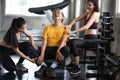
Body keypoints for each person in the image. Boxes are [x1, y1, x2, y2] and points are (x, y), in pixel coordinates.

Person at [66, 0, 100, 75]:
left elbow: (86, 27)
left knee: (73, 42)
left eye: (90, 5)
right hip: (86, 39)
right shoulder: (88, 13)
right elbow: (75, 19)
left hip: (92, 40)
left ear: (94, 6)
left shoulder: (95, 13)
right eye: (87, 4)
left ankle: (77, 68)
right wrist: (70, 25)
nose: (87, 6)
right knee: (68, 42)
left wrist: (73, 31)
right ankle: (74, 63)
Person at [34, 9, 70, 78]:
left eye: (58, 13)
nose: (56, 14)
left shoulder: (66, 28)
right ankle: (43, 66)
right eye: (54, 13)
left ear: (62, 17)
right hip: (48, 49)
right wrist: (41, 55)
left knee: (67, 49)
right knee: (31, 49)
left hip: (59, 50)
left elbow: (63, 42)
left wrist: (58, 51)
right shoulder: (47, 28)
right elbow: (44, 43)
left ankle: (51, 68)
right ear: (52, 17)